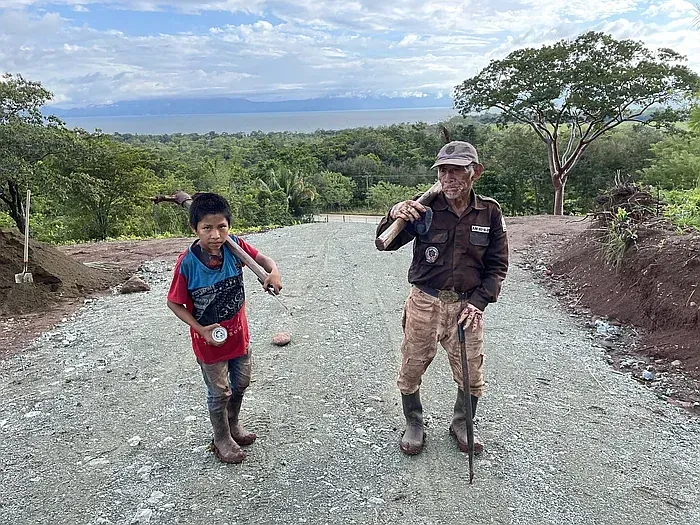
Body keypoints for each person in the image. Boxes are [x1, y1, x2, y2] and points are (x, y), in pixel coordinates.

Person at [376, 141, 508, 456]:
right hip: (425, 302)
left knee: (471, 371)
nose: (449, 178)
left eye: (457, 170)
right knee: (412, 366)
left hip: (467, 306)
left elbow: (497, 265)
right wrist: (394, 212)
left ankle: (463, 422)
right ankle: (414, 422)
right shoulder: (426, 209)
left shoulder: (489, 212)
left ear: (475, 172)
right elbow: (385, 243)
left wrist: (479, 301)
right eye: (443, 171)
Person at [166, 193, 283, 464]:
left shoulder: (235, 248)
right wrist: (201, 329)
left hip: (239, 337)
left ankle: (233, 425)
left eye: (222, 227)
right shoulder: (188, 263)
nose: (216, 235)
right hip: (210, 343)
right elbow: (174, 303)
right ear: (194, 229)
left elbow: (264, 261)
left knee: (241, 383)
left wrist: (273, 271)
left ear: (229, 226)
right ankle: (220, 437)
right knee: (219, 392)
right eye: (207, 228)